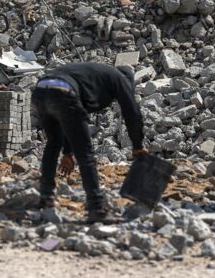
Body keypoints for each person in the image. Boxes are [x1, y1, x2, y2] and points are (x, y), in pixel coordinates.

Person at [32, 62, 146, 221]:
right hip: (63, 92)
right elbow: (131, 111)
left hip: (41, 90)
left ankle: (46, 197)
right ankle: (96, 208)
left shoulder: (96, 76)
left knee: (53, 143)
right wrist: (138, 146)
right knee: (85, 154)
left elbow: (70, 119)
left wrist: (67, 152)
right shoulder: (119, 79)